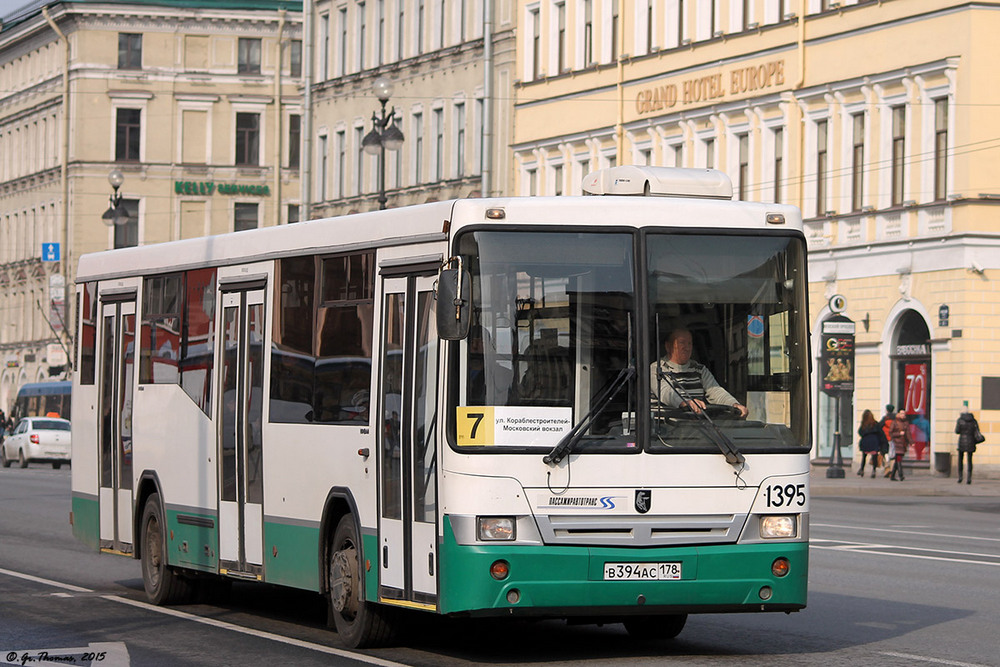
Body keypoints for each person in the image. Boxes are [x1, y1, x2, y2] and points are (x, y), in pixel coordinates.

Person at [650, 328, 748, 418]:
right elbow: (666, 392)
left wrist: (733, 404)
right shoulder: (656, 368)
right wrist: (685, 403)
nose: (687, 347)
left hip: (695, 430)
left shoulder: (700, 370)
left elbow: (715, 391)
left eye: (689, 343)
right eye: (681, 343)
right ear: (668, 346)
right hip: (663, 430)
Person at [955, 408, 983, 485]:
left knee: (960, 460)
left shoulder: (960, 420)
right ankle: (969, 478)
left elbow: (957, 431)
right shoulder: (974, 421)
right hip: (971, 441)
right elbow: (977, 430)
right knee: (969, 460)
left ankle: (960, 477)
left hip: (962, 442)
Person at [857, 409, 888, 478]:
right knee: (874, 457)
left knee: (864, 457)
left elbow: (860, 432)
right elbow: (881, 433)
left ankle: (862, 469)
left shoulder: (864, 424)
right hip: (874, 442)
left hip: (865, 442)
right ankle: (873, 471)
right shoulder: (875, 424)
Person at [888, 410, 910, 481]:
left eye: (904, 414)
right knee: (899, 459)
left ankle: (892, 475)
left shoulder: (906, 423)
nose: (903, 415)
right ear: (898, 414)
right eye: (901, 414)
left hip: (903, 443)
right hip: (897, 443)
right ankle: (901, 475)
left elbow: (908, 433)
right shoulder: (894, 422)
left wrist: (911, 441)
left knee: (898, 459)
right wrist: (899, 434)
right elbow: (891, 433)